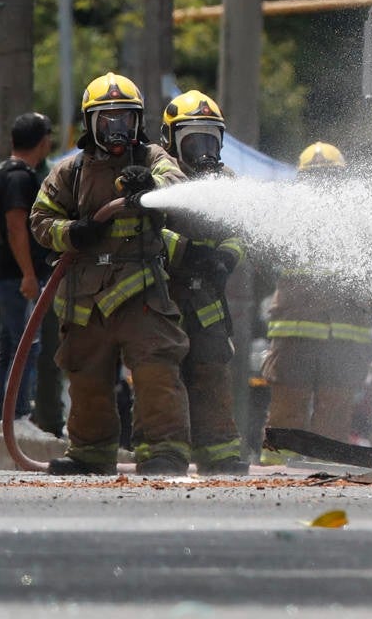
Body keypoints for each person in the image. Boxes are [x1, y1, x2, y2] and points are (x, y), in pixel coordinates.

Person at [29, 73, 192, 476]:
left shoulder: (152, 158)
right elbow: (40, 220)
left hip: (142, 291)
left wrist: (150, 183)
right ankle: (90, 453)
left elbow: (177, 182)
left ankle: (164, 452)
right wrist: (74, 232)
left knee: (156, 370)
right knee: (87, 376)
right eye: (107, 120)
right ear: (91, 123)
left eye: (125, 119)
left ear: (138, 122)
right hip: (85, 298)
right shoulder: (71, 171)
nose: (117, 129)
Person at [261, 142, 372, 450]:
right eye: (315, 179)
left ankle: (325, 465)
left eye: (329, 178)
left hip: (343, 338)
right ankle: (278, 469)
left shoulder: (360, 220)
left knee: (335, 414)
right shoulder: (287, 218)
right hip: (296, 334)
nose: (323, 186)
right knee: (287, 411)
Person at [158, 91, 247, 474]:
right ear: (171, 140)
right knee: (164, 376)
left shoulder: (226, 182)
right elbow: (144, 231)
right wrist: (185, 251)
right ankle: (166, 454)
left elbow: (240, 232)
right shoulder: (159, 176)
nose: (204, 151)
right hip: (163, 295)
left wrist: (226, 257)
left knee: (213, 370)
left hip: (207, 296)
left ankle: (219, 454)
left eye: (210, 140)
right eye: (194, 141)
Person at [0, 112, 63, 437]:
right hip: (17, 277)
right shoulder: (20, 177)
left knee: (11, 345)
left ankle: (10, 417)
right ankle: (17, 416)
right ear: (43, 140)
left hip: (8, 275)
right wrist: (29, 274)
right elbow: (16, 227)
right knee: (25, 346)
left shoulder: (9, 173)